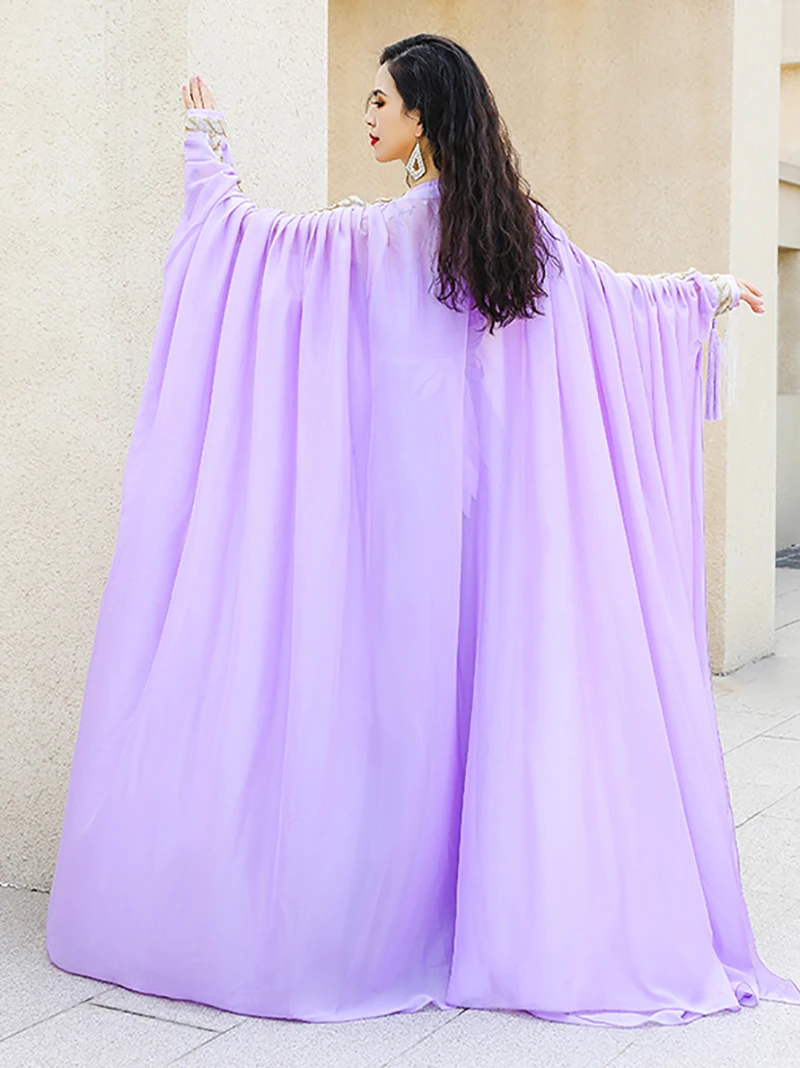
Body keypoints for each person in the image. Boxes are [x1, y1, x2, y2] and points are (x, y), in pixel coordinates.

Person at [46, 34, 800, 1028]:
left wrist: (207, 162)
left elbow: (262, 255)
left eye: (376, 102)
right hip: (488, 534)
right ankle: (463, 910)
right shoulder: (513, 231)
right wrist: (695, 297)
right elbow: (615, 303)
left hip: (399, 539)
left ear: (420, 120)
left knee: (399, 723)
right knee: (463, 718)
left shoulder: (391, 236)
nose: (364, 117)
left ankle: (396, 922)